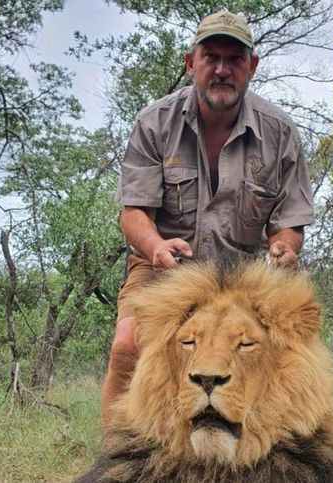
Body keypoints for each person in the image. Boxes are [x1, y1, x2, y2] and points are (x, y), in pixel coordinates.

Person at [101, 10, 315, 424]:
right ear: (190, 63)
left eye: (234, 60)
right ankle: (116, 454)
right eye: (211, 57)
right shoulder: (154, 123)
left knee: (297, 345)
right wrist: (155, 245)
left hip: (242, 275)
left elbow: (290, 223)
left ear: (251, 67)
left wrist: (286, 248)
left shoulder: (281, 132)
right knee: (127, 343)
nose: (222, 70)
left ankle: (280, 438)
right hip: (164, 269)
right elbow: (133, 215)